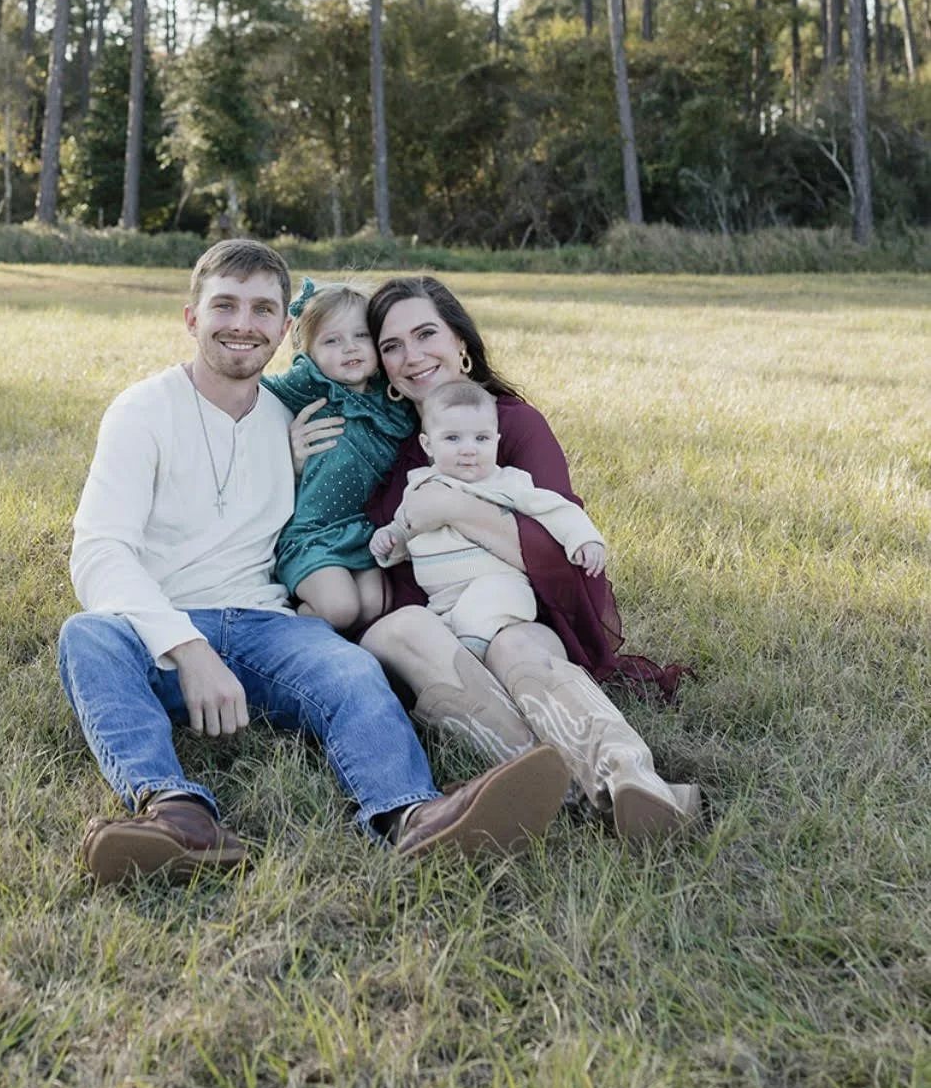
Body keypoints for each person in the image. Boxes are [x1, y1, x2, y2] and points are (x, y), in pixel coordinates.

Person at [58, 240, 569, 885]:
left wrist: (298, 462)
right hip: (158, 627)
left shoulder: (298, 412)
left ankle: (411, 815)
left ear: (281, 331)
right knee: (86, 637)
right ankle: (176, 815)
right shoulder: (142, 410)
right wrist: (187, 647)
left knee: (353, 669)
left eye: (262, 310)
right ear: (192, 319)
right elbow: (99, 550)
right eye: (225, 306)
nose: (243, 323)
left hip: (269, 624)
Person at [291, 274, 700, 843]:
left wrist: (452, 507)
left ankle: (631, 778)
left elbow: (563, 560)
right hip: (435, 624)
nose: (411, 357)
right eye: (391, 346)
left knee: (514, 642)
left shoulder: (510, 425)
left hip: (518, 612)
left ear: (461, 341)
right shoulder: (382, 435)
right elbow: (337, 534)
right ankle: (565, 784)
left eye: (426, 334)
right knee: (396, 629)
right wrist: (293, 463)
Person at [370, 379, 608, 656]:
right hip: (443, 601)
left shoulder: (508, 482)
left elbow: (556, 508)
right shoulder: (419, 486)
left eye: (481, 438)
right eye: (452, 438)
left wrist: (584, 540)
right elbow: (405, 527)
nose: (468, 449)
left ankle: (473, 663)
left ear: (496, 441)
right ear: (428, 444)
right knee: (428, 635)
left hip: (500, 589)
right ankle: (461, 669)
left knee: (476, 618)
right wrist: (390, 539)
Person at [260, 279, 414, 632]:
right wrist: (284, 445)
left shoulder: (392, 398)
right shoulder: (311, 384)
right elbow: (252, 387)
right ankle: (281, 626)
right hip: (313, 534)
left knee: (375, 606)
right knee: (341, 608)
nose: (350, 348)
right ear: (308, 353)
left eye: (361, 336)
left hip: (363, 532)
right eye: (332, 340)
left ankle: (333, 648)